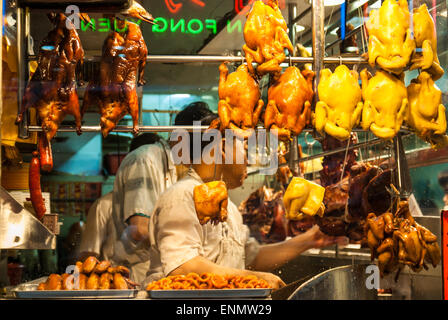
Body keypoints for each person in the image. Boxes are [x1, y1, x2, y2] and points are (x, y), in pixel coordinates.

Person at [146, 114, 348, 289]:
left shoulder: (229, 209)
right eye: (244, 146)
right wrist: (254, 278)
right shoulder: (182, 196)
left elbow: (252, 258)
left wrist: (310, 240)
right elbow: (182, 266)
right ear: (222, 147)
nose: (249, 159)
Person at [109, 102, 215, 285]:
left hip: (163, 275)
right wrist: (185, 247)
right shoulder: (146, 160)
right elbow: (139, 229)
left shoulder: (177, 168)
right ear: (178, 139)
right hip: (137, 275)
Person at [78, 192, 114, 261]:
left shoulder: (103, 204)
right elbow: (89, 253)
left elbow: (89, 253)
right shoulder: (103, 205)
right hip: (110, 269)